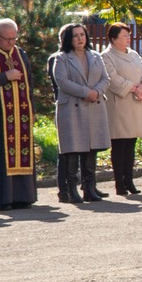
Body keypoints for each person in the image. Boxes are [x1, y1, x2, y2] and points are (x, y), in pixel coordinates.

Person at [0, 19, 38, 211]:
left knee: (23, 154)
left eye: (14, 38)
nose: (12, 43)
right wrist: (4, 77)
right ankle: (4, 198)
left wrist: (32, 110)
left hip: (22, 114)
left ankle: (24, 196)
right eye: (7, 39)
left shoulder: (21, 54)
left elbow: (30, 84)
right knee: (1, 158)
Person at [50, 22, 110, 205]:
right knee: (72, 150)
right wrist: (86, 92)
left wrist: (97, 92)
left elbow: (105, 78)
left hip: (93, 107)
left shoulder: (96, 56)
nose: (79, 38)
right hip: (72, 109)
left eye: (82, 35)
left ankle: (89, 187)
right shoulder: (62, 58)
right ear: (69, 38)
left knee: (91, 150)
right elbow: (62, 80)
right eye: (75, 35)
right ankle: (70, 190)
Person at [100, 22, 142, 197]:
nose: (128, 38)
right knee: (119, 144)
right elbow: (112, 78)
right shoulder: (106, 56)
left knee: (131, 143)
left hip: (136, 102)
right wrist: (134, 88)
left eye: (128, 35)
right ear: (113, 38)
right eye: (124, 36)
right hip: (120, 104)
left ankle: (129, 180)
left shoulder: (134, 54)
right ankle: (119, 183)